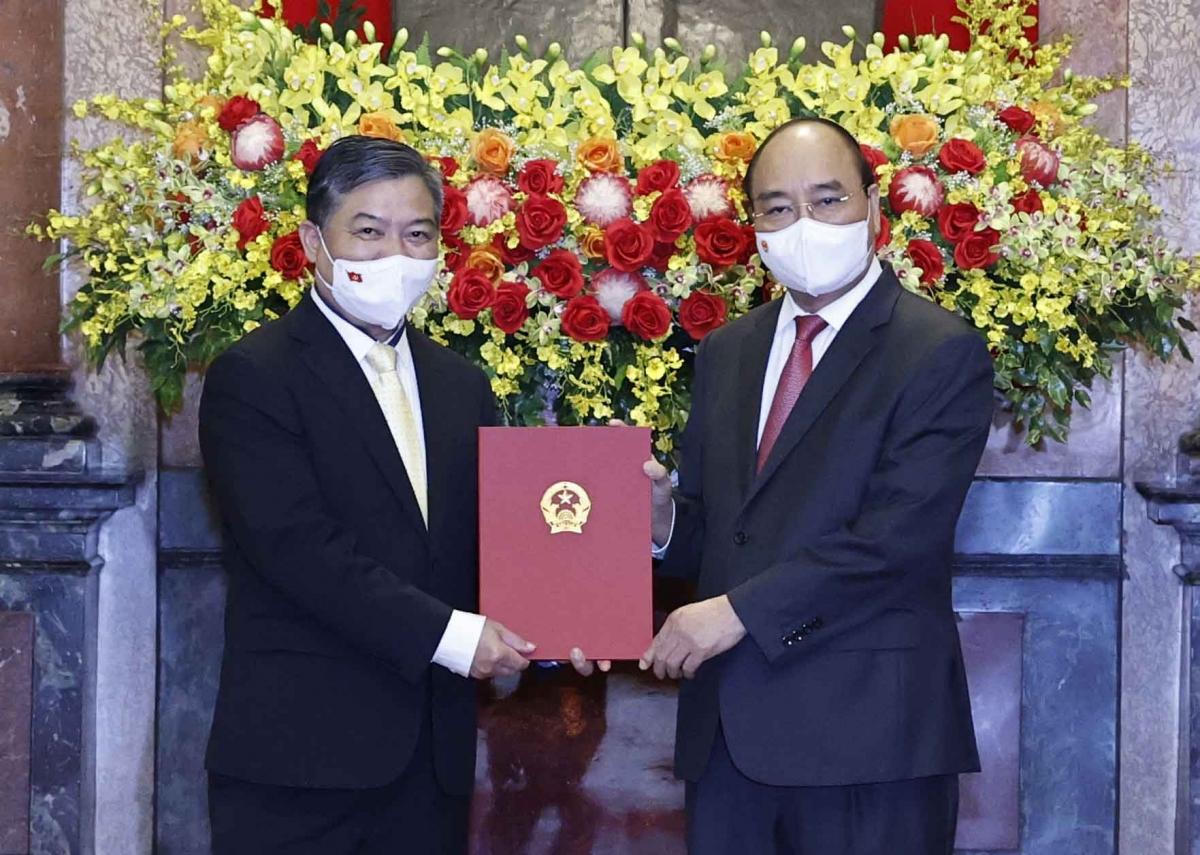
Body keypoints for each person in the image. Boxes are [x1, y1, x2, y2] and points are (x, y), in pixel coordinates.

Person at [637, 117, 994, 854]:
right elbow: (730, 534)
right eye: (777, 207)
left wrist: (736, 612)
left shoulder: (939, 351)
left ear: (874, 208)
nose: (802, 223)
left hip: (869, 742)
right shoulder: (728, 351)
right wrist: (664, 522)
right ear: (753, 227)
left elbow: (897, 541)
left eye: (827, 200)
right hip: (728, 741)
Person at [199, 135, 564, 854]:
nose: (396, 254)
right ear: (314, 241)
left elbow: (491, 542)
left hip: (431, 764)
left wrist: (558, 626)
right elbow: (298, 550)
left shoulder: (461, 385)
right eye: (368, 231)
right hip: (300, 766)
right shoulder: (255, 375)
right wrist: (456, 638)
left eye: (417, 235)